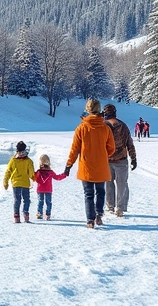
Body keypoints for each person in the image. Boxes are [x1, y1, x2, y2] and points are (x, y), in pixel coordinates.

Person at [65, 98, 116, 228]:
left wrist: (69, 165)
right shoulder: (105, 128)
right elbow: (111, 148)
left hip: (86, 166)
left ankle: (90, 220)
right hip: (101, 166)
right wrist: (103, 155)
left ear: (87, 109)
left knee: (88, 194)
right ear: (99, 109)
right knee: (100, 191)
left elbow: (74, 149)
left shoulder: (81, 128)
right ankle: (99, 215)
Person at [103, 104, 137, 218]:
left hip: (107, 159)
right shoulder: (122, 125)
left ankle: (110, 206)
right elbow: (129, 143)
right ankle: (120, 208)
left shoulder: (102, 126)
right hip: (121, 160)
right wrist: (133, 158)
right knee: (122, 184)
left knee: (109, 184)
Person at [2, 141, 37, 223]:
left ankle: (21, 214)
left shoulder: (23, 160)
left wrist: (6, 181)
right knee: (22, 200)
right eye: (21, 152)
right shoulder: (18, 160)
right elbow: (9, 171)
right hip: (20, 183)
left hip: (21, 183)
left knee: (22, 200)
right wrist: (5, 181)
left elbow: (8, 171)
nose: (22, 153)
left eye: (23, 152)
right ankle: (21, 214)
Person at [33, 154, 67, 220]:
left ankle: (39, 213)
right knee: (48, 202)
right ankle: (48, 214)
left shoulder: (38, 172)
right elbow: (57, 177)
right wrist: (64, 174)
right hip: (48, 189)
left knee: (40, 201)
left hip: (40, 189)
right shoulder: (50, 172)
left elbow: (34, 178)